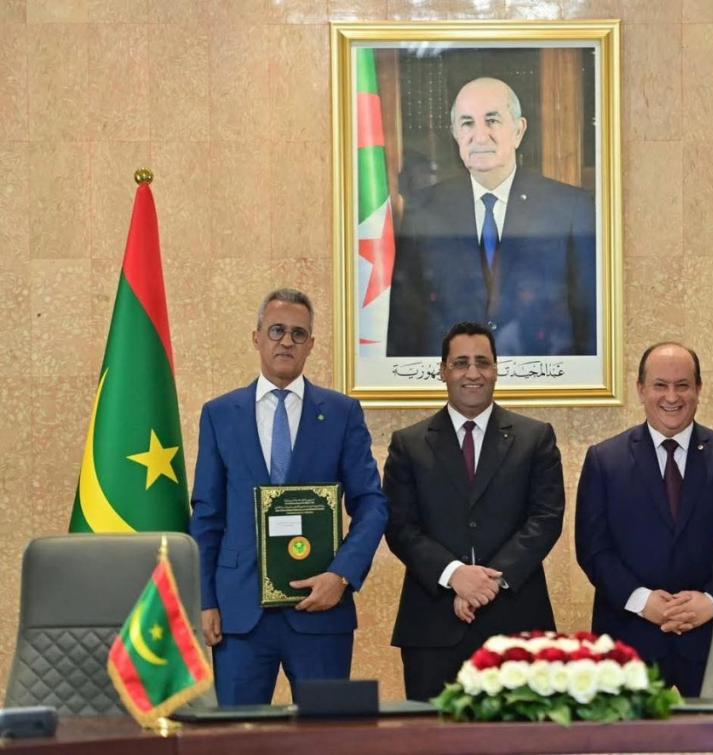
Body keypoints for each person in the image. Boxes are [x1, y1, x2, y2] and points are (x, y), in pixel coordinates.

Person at [190, 288, 389, 705]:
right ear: (256, 337)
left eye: (298, 334)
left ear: (311, 344)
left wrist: (341, 576)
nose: (286, 341)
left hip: (321, 607)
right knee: (240, 735)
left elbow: (372, 504)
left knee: (327, 732)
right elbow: (207, 515)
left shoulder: (342, 413)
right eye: (276, 330)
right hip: (239, 613)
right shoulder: (220, 414)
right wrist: (205, 600)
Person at [384, 321, 565, 700]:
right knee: (434, 732)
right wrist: (454, 575)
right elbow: (400, 526)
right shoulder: (408, 444)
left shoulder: (535, 438)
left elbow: (545, 519)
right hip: (432, 627)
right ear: (443, 371)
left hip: (517, 624)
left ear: (496, 369)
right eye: (461, 363)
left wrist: (489, 583)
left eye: (482, 362)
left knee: (519, 733)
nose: (472, 373)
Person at [575, 342, 713, 696]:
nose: (672, 396)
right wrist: (641, 600)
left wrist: (712, 600)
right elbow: (593, 550)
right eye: (660, 385)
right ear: (640, 389)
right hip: (630, 639)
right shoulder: (604, 460)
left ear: (699, 389)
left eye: (683, 385)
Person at [386, 76, 597, 358]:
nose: (480, 136)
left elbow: (589, 319)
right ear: (455, 133)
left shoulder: (570, 207)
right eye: (467, 123)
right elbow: (405, 324)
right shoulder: (424, 210)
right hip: (451, 377)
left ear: (518, 131)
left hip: (542, 376)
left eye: (492, 120)